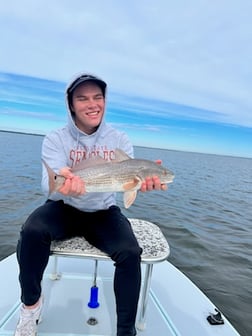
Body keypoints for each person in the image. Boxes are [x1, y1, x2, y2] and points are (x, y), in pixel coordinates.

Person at [15, 73, 167, 336]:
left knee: (130, 252)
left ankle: (125, 331)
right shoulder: (56, 138)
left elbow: (127, 184)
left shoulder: (120, 139)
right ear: (71, 104)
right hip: (64, 208)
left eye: (98, 97)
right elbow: (46, 185)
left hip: (103, 212)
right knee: (31, 231)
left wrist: (142, 183)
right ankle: (31, 307)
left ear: (105, 101)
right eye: (82, 98)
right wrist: (61, 184)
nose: (92, 104)